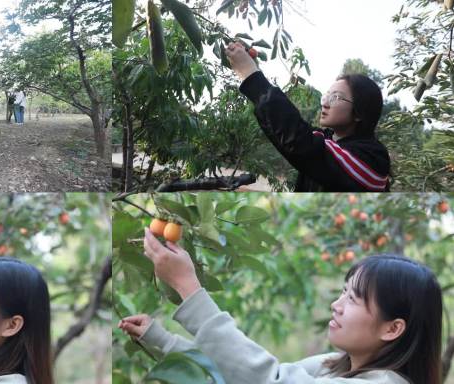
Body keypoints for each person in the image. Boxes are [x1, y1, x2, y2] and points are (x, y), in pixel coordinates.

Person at [119, 229, 443, 384]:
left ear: (393, 328)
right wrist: (160, 339)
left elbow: (268, 380)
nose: (337, 305)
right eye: (342, 292)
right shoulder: (335, 366)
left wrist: (188, 287)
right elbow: (235, 376)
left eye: (353, 298)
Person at [224, 43, 391, 192]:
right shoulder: (329, 140)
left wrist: (251, 75)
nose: (325, 103)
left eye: (336, 97)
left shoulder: (372, 161)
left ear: (360, 112)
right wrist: (253, 72)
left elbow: (301, 144)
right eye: (326, 96)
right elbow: (288, 135)